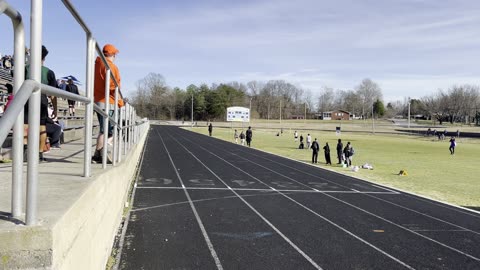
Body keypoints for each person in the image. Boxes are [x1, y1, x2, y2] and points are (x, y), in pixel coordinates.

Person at [24, 45, 58, 162]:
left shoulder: (26, 69)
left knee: (25, 125)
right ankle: (39, 154)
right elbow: (53, 94)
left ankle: (24, 152)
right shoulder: (49, 72)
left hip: (27, 97)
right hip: (42, 99)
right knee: (42, 126)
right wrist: (55, 108)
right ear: (44, 57)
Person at [92, 44, 124, 163]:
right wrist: (120, 101)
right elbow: (113, 87)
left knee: (103, 129)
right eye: (115, 54)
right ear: (112, 54)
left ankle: (97, 155)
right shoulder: (111, 67)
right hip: (108, 102)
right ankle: (104, 152)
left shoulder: (97, 64)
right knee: (111, 131)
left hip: (98, 100)